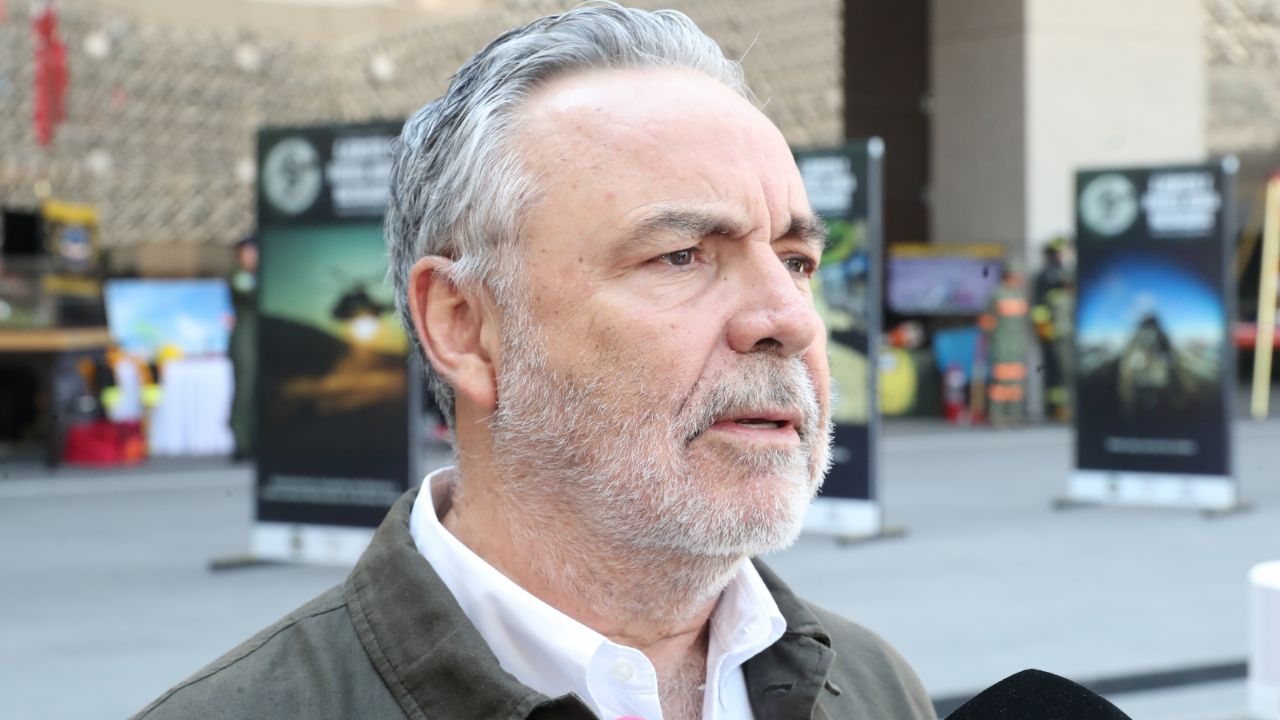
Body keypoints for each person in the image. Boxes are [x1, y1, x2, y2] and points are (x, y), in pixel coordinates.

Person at [134, 5, 935, 719]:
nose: (791, 320)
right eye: (682, 255)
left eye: (796, 261)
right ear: (464, 326)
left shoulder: (876, 689)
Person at [980, 267, 1030, 427]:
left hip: (1017, 345)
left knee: (1016, 383)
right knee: (1000, 383)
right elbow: (987, 320)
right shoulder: (997, 294)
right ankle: (997, 416)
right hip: (1001, 345)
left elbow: (1024, 322)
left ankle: (1015, 415)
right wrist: (988, 340)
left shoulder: (1021, 295)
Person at [1030, 238, 1073, 421]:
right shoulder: (1044, 276)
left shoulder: (1066, 273)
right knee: (1054, 371)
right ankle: (1054, 408)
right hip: (1052, 333)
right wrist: (1044, 329)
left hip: (1066, 333)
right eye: (1057, 253)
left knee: (1066, 371)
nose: (1060, 256)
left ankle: (1065, 406)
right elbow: (1039, 308)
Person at [227, 235, 258, 460]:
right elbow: (251, 294)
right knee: (245, 389)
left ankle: (254, 438)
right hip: (245, 341)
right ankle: (241, 440)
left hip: (256, 339)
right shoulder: (240, 277)